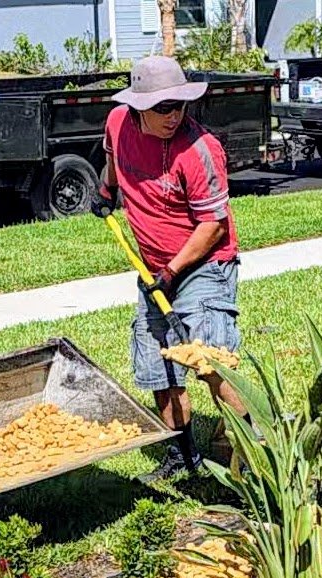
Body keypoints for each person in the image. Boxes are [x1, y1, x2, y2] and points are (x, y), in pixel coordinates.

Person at [92, 56, 247, 480]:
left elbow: (213, 227)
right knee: (159, 363)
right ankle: (182, 456)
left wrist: (173, 271)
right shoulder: (118, 123)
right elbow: (113, 159)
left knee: (210, 359)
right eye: (163, 107)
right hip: (155, 268)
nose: (173, 115)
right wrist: (107, 189)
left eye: (179, 104)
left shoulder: (200, 150)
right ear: (139, 106)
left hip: (202, 266)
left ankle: (257, 452)